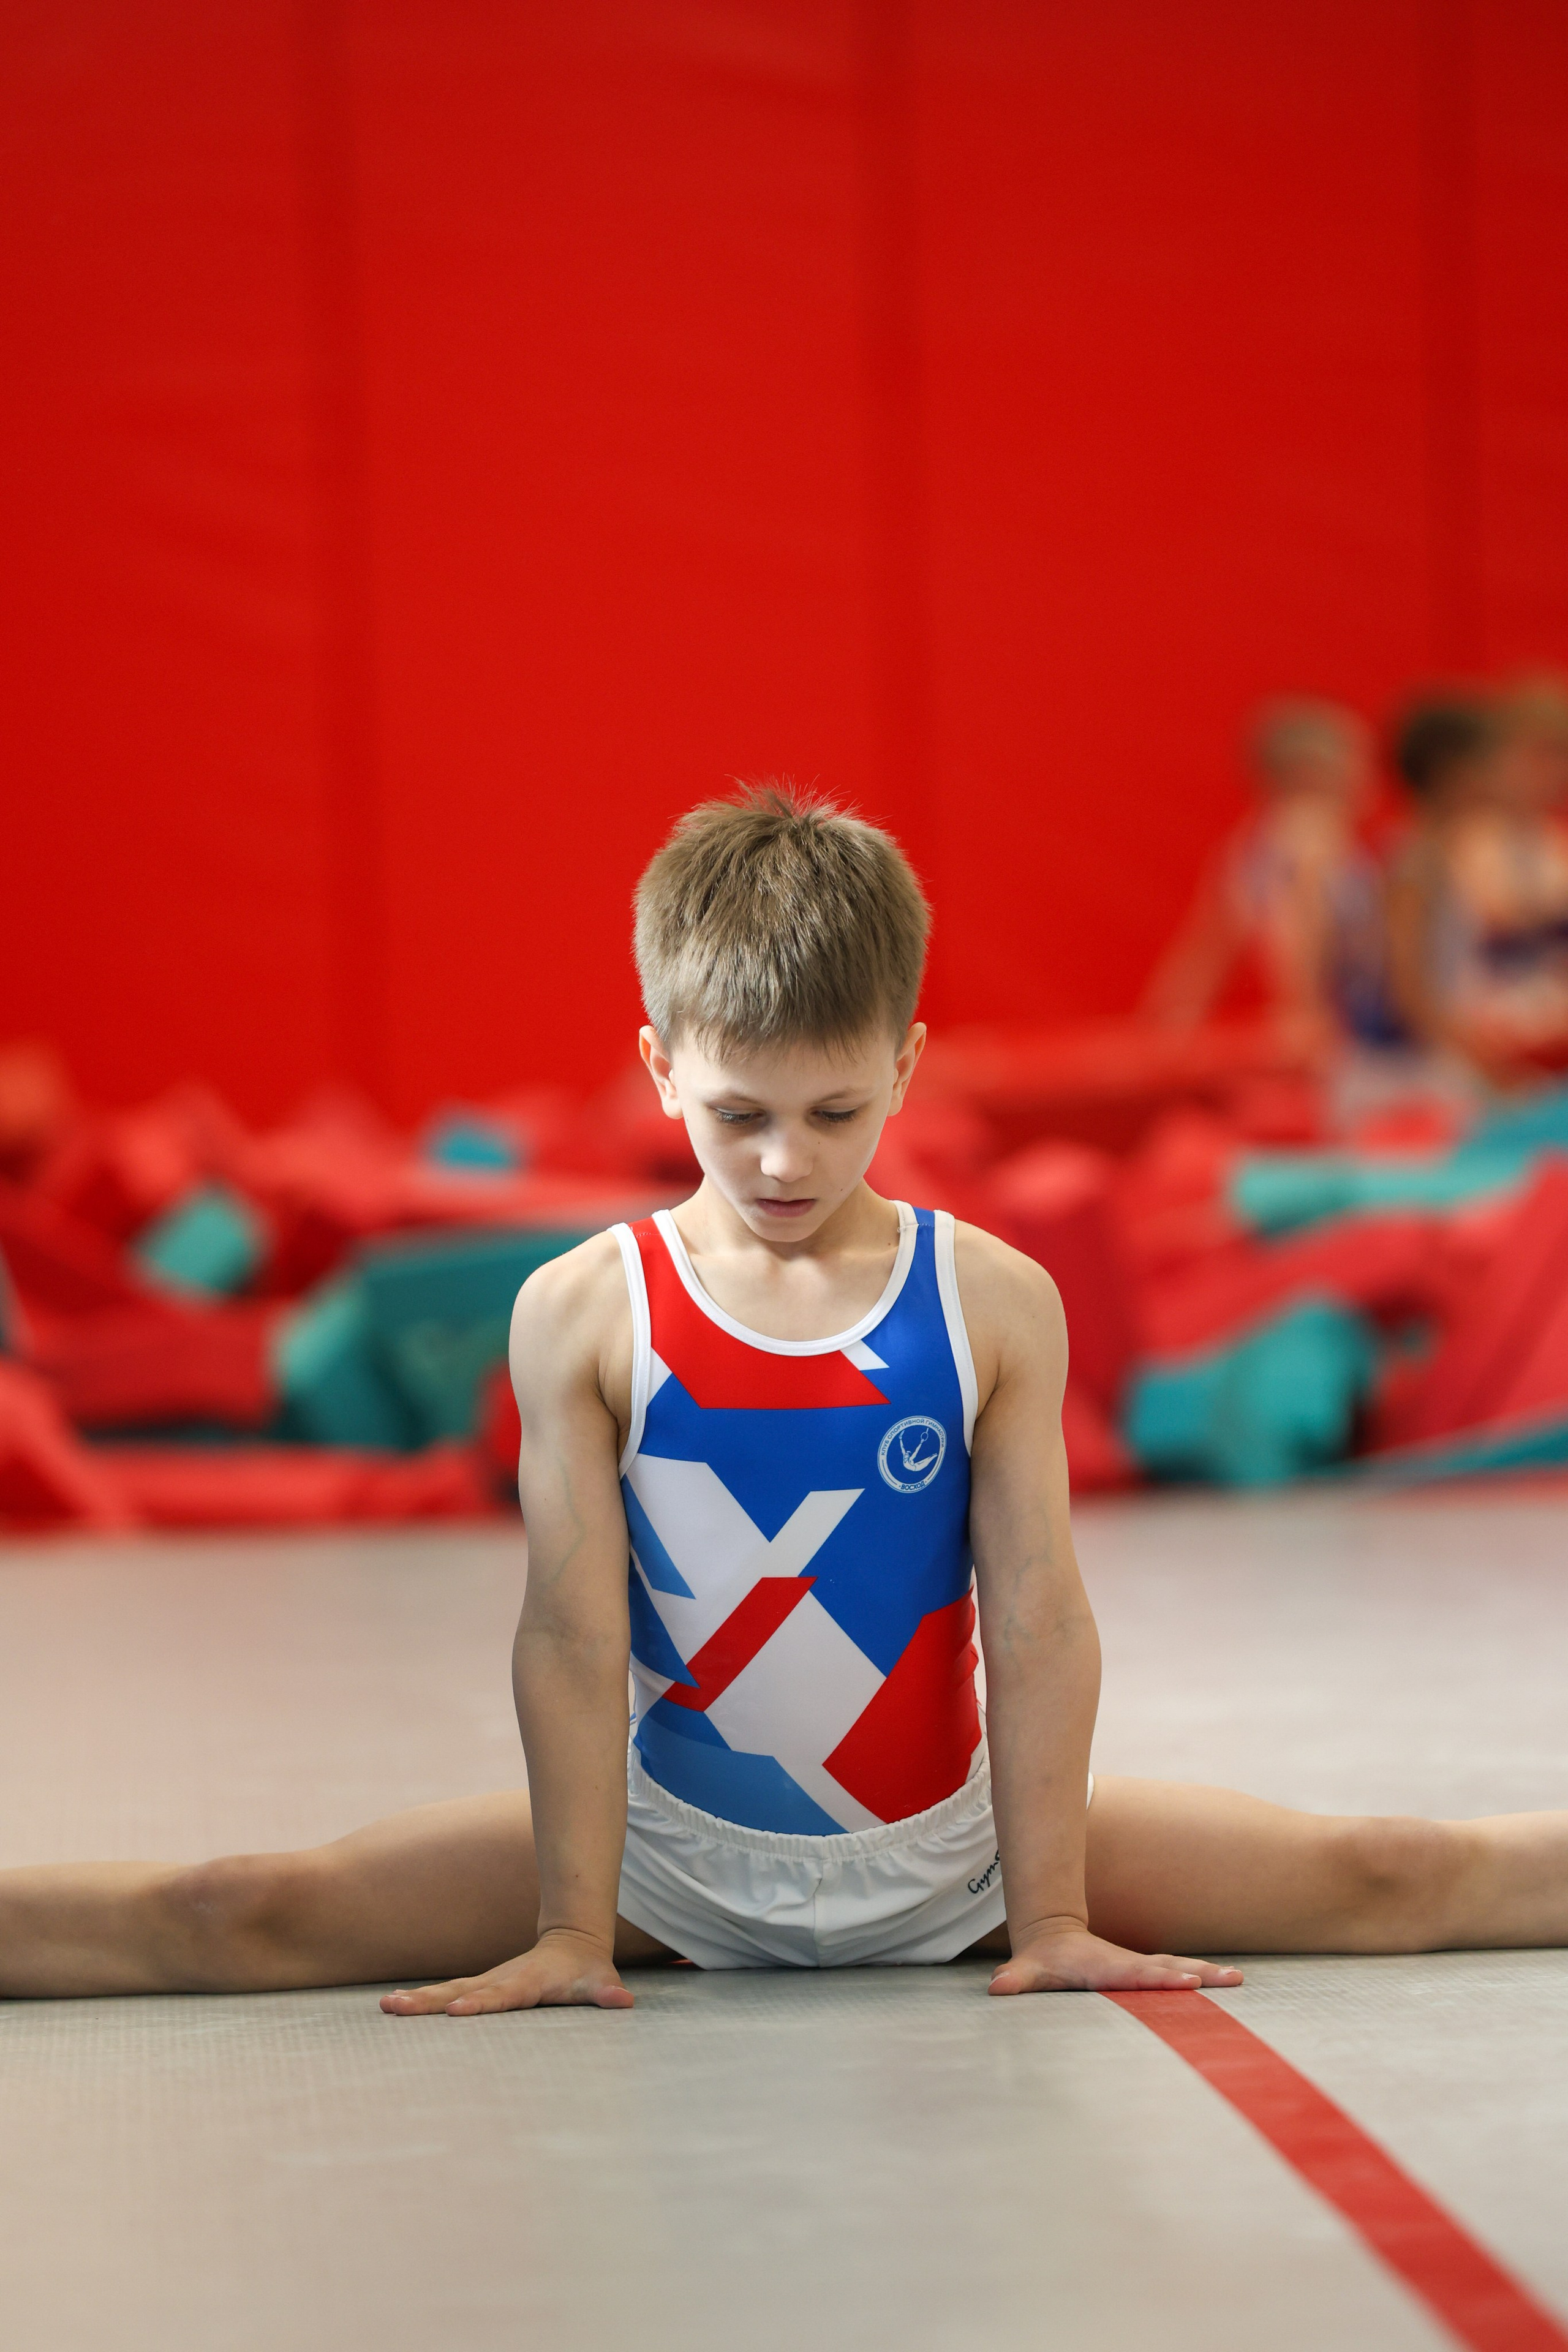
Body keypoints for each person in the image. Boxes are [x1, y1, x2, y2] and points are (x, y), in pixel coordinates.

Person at [5, 788, 1568, 2013]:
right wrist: (567, 1926)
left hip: (964, 1852)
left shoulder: (989, 1298)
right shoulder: (583, 1310)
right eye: (736, 1111)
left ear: (906, 1063)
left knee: (1389, 1867)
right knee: (236, 1907)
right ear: (656, 1066)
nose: (780, 1161)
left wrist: (1052, 1913)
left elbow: (1033, 1612)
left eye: (833, 1111)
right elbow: (570, 1630)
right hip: (661, 1864)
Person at [1142, 699, 1398, 1055]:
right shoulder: (1313, 834)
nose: (1371, 774)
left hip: (1314, 1017)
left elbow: (1204, 953)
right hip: (1341, 1023)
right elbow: (1306, 928)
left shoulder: (1252, 842)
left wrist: (1165, 1029)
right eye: (1359, 758)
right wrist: (1310, 1010)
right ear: (1312, 771)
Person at [1385, 688, 1568, 1087]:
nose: (1501, 778)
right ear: (1455, 775)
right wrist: (1480, 1059)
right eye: (1492, 765)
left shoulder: (1437, 851)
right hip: (1430, 1066)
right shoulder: (1417, 861)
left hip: (1464, 1051)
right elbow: (1408, 987)